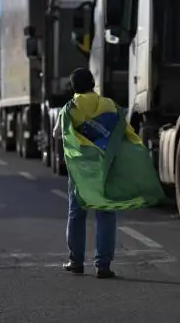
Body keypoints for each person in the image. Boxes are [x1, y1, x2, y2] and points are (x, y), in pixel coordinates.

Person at [53, 68, 142, 279]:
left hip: (81, 170)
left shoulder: (70, 108)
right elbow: (125, 132)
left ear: (73, 87)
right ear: (93, 83)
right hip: (105, 167)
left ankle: (76, 262)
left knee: (77, 214)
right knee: (107, 213)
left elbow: (57, 133)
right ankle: (103, 265)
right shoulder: (110, 105)